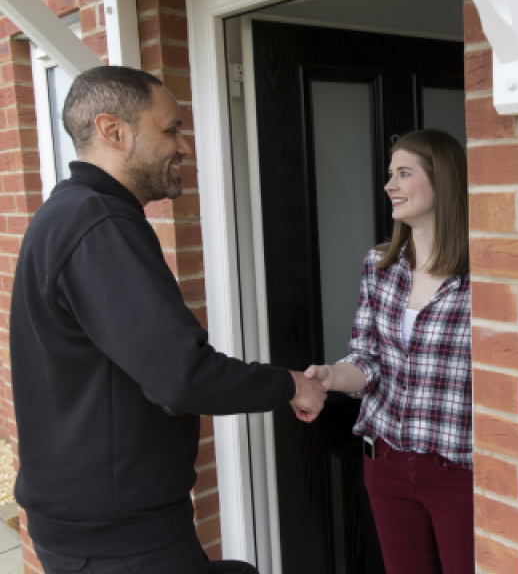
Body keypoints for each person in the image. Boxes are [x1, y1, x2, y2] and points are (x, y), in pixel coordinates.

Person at [10, 66, 328, 574]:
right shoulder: (97, 222)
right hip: (119, 541)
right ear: (114, 131)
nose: (185, 147)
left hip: (102, 529)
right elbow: (180, 376)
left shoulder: (70, 214)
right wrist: (289, 384)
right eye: (171, 129)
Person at [306, 129, 473, 574]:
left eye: (403, 173)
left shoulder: (483, 276)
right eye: (389, 174)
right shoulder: (380, 265)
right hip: (387, 464)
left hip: (458, 469)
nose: (389, 185)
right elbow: (366, 358)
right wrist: (329, 376)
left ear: (444, 181)